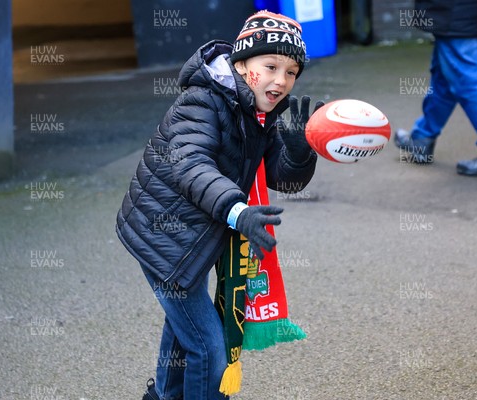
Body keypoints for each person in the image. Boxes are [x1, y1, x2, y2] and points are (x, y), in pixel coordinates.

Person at [116, 10, 322, 400]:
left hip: (198, 233)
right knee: (208, 349)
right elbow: (189, 165)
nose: (281, 80)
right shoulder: (202, 101)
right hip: (164, 238)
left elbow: (281, 177)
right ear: (242, 64)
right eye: (271, 66)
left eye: (292, 71)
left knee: (184, 330)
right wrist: (237, 211)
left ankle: (161, 396)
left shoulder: (264, 112)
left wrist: (299, 154)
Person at [395, 0, 477, 175]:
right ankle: (422, 138)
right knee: (443, 78)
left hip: (457, 13)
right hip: (454, 14)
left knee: (468, 84)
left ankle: (423, 138)